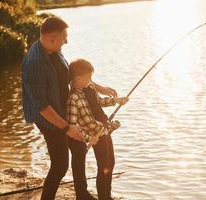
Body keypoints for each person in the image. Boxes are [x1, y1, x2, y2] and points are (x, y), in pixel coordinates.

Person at [21, 17, 117, 200]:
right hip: (49, 120)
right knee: (60, 165)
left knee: (80, 150)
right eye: (64, 37)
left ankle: (81, 194)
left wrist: (99, 88)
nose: (66, 41)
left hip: (65, 112)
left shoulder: (55, 52)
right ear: (51, 38)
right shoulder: (34, 63)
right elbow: (41, 106)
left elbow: (74, 78)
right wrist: (67, 128)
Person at [66, 59, 128, 200]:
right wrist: (89, 138)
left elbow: (99, 102)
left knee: (110, 163)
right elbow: (73, 126)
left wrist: (117, 101)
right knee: (103, 166)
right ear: (78, 78)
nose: (90, 81)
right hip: (95, 136)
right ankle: (103, 197)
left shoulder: (89, 88)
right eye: (88, 78)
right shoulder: (73, 99)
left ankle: (107, 195)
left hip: (104, 132)